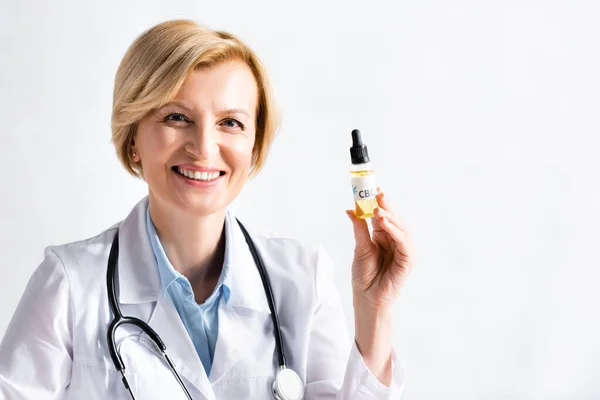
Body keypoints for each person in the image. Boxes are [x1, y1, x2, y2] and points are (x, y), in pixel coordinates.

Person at [0, 19, 415, 399]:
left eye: (230, 123)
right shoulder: (70, 284)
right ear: (132, 139)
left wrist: (374, 311)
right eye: (177, 117)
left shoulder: (303, 278)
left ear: (253, 148)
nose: (203, 148)